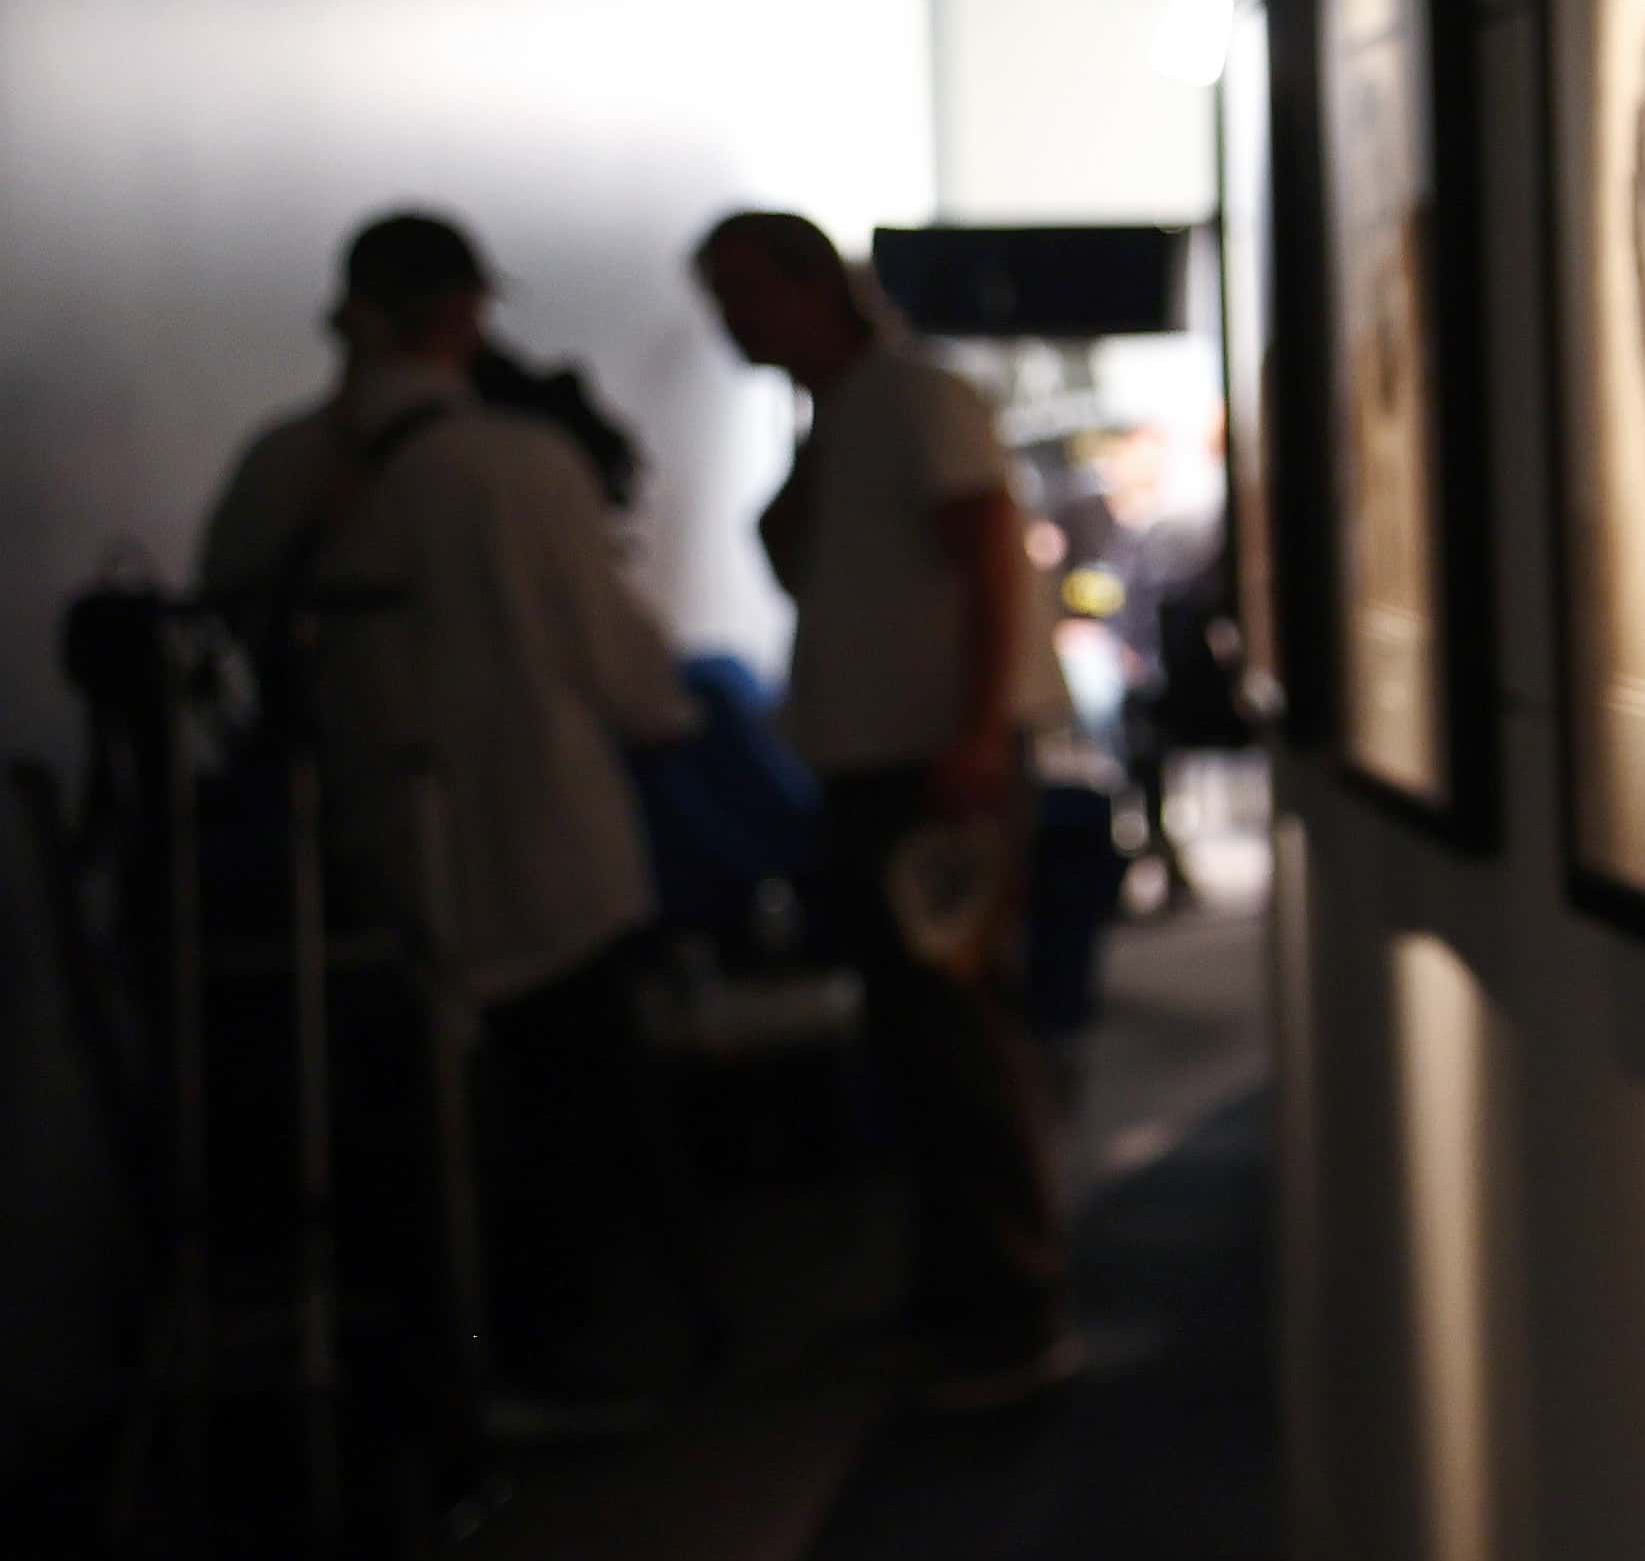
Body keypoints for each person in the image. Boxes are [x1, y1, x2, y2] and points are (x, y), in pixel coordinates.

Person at [203, 211, 711, 1403]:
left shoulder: (285, 467)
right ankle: (570, 1359)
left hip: (376, 856)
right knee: (569, 1121)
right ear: (468, 311)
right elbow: (628, 674)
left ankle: (447, 1368)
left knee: (412, 1136)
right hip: (553, 860)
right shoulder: (524, 465)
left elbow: (231, 626)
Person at [692, 208, 1077, 1403]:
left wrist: (973, 728)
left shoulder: (913, 397)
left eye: (745, 290)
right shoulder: (847, 414)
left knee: (956, 1031)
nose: (731, 320)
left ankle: (1010, 1305)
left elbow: (988, 552)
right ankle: (957, 1292)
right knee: (915, 1039)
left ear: (817, 286)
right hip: (880, 759)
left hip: (933, 758)